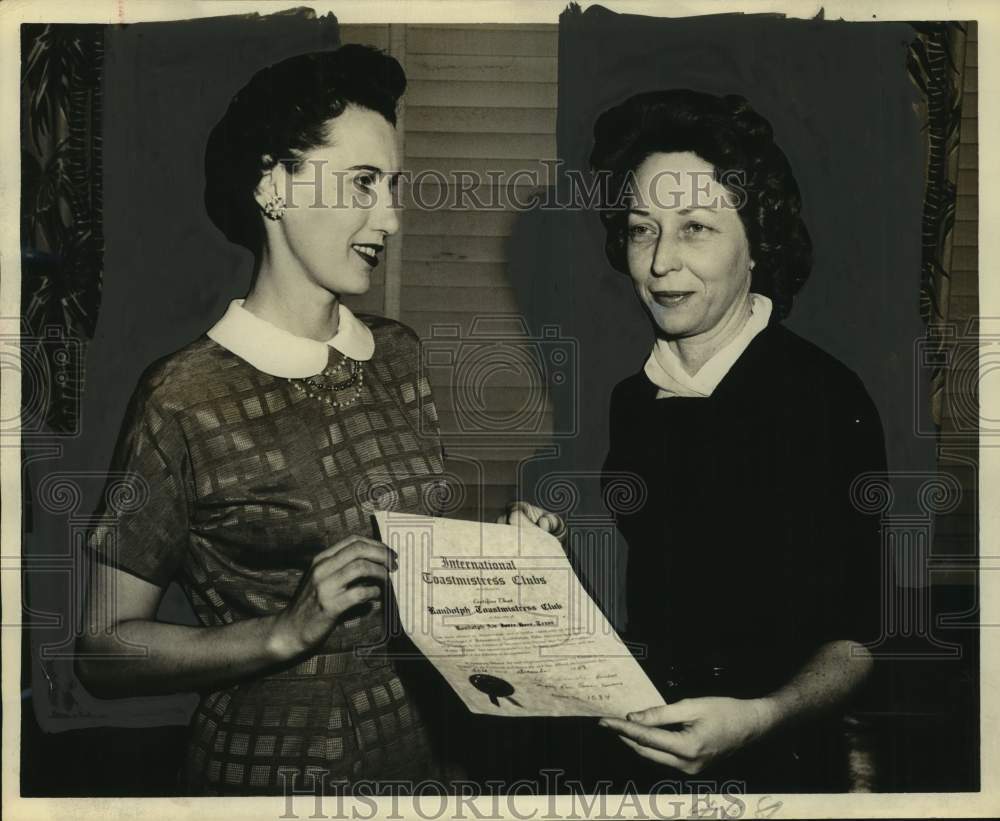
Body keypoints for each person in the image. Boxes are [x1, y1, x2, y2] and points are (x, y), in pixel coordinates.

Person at [76, 45, 463, 796]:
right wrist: (282, 630)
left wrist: (510, 564)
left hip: (423, 765)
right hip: (269, 780)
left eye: (392, 186)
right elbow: (101, 648)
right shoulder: (184, 396)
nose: (389, 214)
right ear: (273, 185)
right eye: (362, 183)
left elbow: (416, 573)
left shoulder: (399, 356)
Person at [505, 89, 887, 793]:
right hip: (646, 747)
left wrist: (762, 716)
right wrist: (545, 564)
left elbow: (857, 640)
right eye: (642, 228)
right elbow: (673, 600)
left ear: (757, 246)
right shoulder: (633, 397)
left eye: (695, 229)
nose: (659, 264)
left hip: (782, 761)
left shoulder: (825, 399)